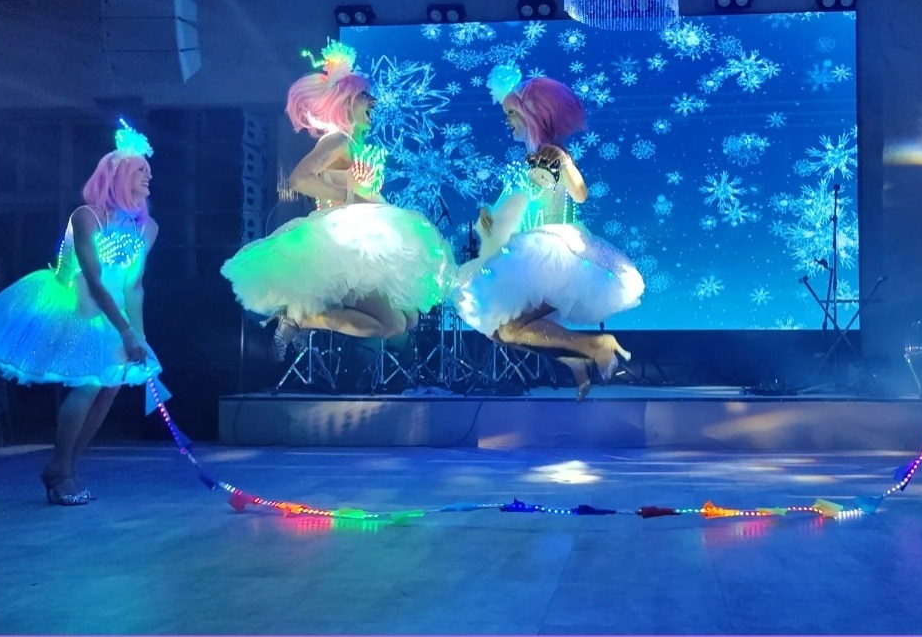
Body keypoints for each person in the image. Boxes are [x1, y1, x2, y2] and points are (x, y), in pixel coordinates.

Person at [221, 40, 455, 357]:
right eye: (365, 95)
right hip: (343, 243)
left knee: (409, 319)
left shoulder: (358, 146)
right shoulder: (337, 141)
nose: (373, 101)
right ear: (347, 102)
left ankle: (307, 318)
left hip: (367, 238)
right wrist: (345, 196)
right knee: (392, 324)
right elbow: (299, 179)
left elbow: (365, 193)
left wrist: (387, 211)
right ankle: (302, 318)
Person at [0, 120, 162, 504]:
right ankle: (61, 470)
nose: (149, 175)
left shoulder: (148, 228)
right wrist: (125, 332)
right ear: (119, 174)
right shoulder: (86, 217)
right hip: (77, 303)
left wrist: (137, 336)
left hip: (114, 312)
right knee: (89, 383)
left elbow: (133, 286)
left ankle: (65, 469)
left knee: (111, 387)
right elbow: (92, 280)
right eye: (140, 169)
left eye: (149, 170)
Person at [452, 64, 645, 401]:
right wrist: (489, 215)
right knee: (499, 330)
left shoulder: (553, 152)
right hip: (527, 253)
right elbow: (518, 205)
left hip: (551, 254)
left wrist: (564, 162)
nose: (507, 121)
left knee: (508, 329)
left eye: (511, 113)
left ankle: (595, 346)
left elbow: (580, 194)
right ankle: (575, 358)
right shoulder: (528, 158)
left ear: (530, 115)